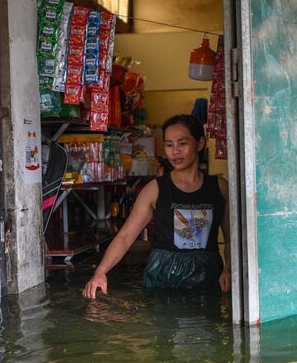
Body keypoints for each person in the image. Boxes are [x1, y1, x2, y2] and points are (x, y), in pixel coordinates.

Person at [83, 114, 231, 299]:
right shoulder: (155, 189)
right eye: (169, 145)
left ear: (200, 143)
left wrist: (229, 269)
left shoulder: (219, 187)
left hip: (208, 275)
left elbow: (232, 239)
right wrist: (100, 272)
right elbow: (125, 236)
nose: (175, 151)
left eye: (182, 143)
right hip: (163, 277)